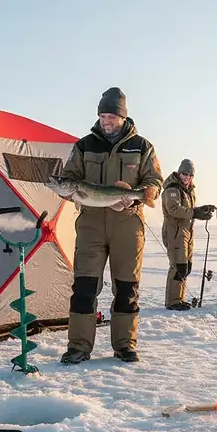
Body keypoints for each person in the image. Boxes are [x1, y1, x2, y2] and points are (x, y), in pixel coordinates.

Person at [58, 87, 163, 364]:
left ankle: (125, 344)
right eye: (102, 116)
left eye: (110, 117)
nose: (105, 121)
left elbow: (155, 181)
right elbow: (69, 176)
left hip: (128, 224)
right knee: (84, 287)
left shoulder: (142, 146)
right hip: (91, 224)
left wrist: (139, 194)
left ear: (122, 117)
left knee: (127, 287)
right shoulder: (83, 146)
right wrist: (65, 189)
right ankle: (79, 346)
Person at [161, 159, 217, 310]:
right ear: (179, 173)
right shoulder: (172, 189)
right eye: (184, 174)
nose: (187, 177)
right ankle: (173, 301)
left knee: (186, 267)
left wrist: (201, 210)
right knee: (178, 266)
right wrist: (195, 213)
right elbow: (174, 209)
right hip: (175, 232)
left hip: (187, 232)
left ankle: (179, 297)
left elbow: (189, 210)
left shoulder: (189, 189)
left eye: (190, 175)